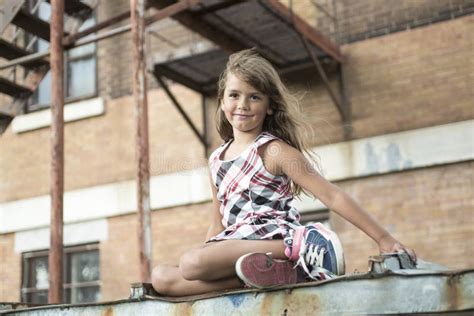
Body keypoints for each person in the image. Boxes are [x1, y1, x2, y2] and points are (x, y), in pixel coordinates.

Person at [151, 48, 416, 296]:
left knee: (191, 263)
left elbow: (331, 196)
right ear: (221, 101)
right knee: (162, 277)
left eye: (254, 97)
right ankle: (275, 274)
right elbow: (217, 222)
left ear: (269, 106)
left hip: (273, 236)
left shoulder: (274, 151)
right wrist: (211, 255)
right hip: (237, 247)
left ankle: (300, 248)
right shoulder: (216, 160)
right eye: (234, 95)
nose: (242, 104)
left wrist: (384, 238)